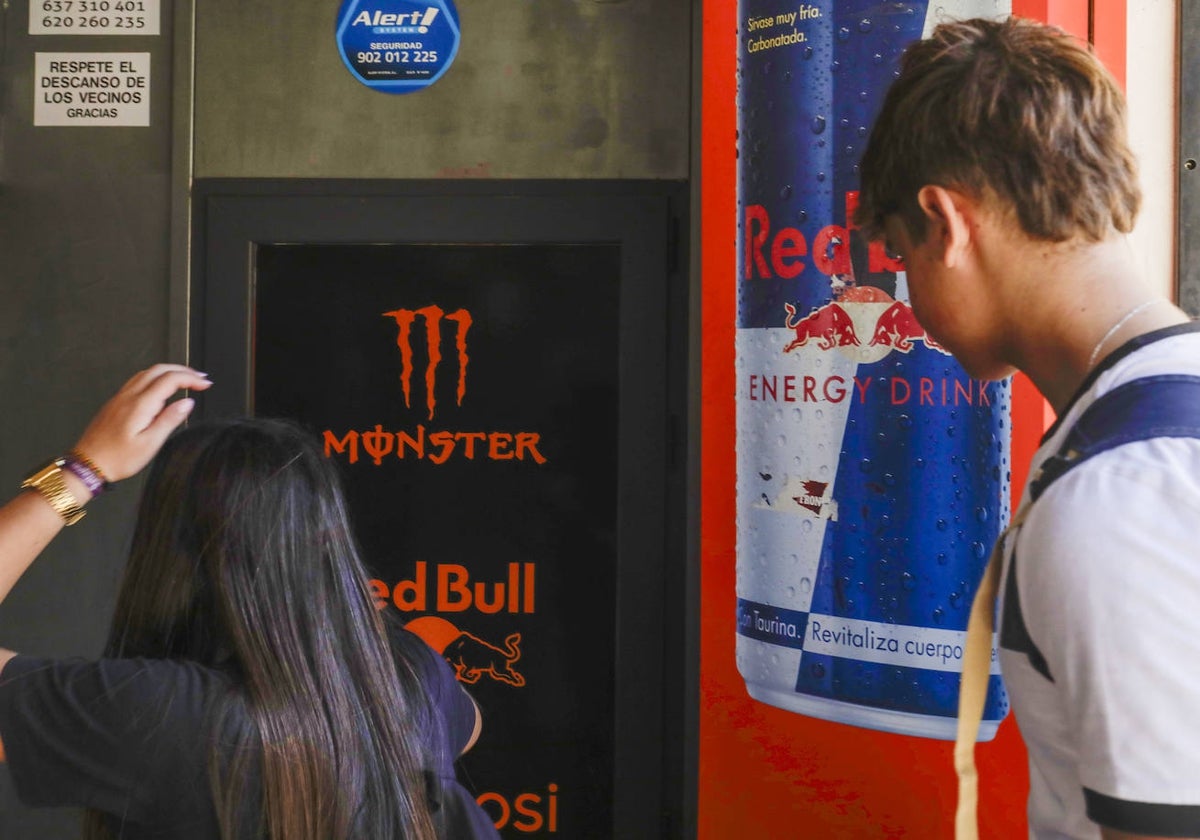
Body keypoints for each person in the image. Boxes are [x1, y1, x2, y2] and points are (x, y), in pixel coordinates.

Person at [855, 16, 1200, 840]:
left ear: (946, 223)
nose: (908, 300)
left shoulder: (1113, 502)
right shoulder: (1152, 426)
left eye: (900, 255)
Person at [0, 364, 500, 839]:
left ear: (168, 550)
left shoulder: (166, 715)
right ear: (330, 540)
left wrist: (85, 471)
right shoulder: (414, 679)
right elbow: (469, 725)